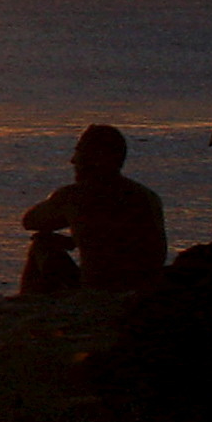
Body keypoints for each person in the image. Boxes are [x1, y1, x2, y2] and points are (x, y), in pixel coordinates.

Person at [19, 123, 166, 295]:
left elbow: (30, 221)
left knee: (42, 244)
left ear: (95, 157)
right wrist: (77, 237)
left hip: (97, 291)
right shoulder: (148, 197)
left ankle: (26, 301)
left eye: (79, 152)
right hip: (142, 291)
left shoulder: (76, 196)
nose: (73, 160)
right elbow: (120, 234)